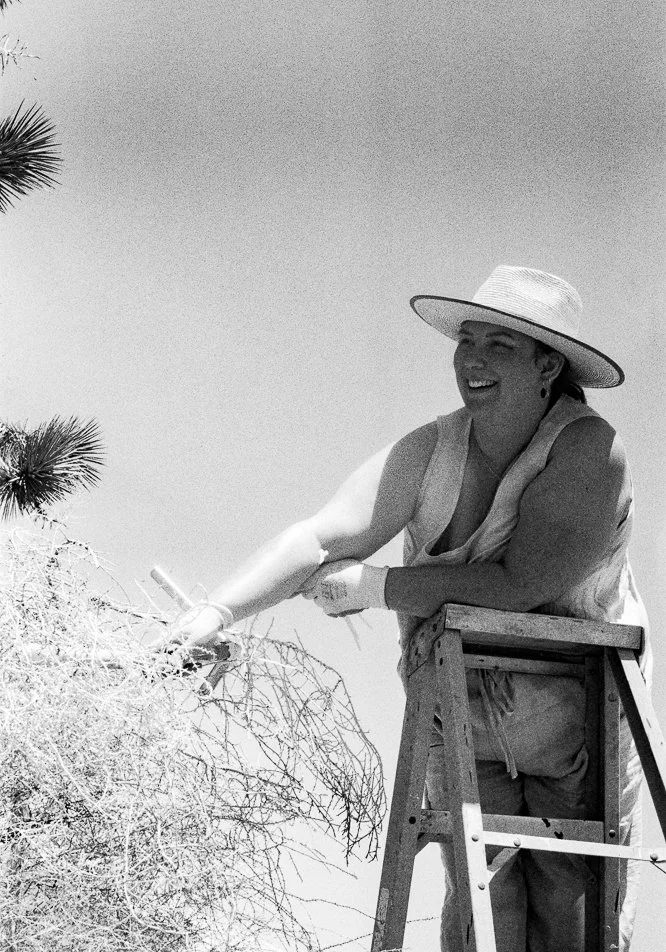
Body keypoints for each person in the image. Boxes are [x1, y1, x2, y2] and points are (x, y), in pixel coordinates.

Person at [162, 265, 650, 952]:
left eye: (501, 346)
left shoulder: (590, 452)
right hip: (460, 705)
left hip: (573, 716)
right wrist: (213, 615)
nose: (473, 360)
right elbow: (320, 535)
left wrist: (379, 588)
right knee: (482, 905)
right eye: (468, 340)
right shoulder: (432, 451)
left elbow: (519, 584)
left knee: (572, 907)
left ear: (549, 367)